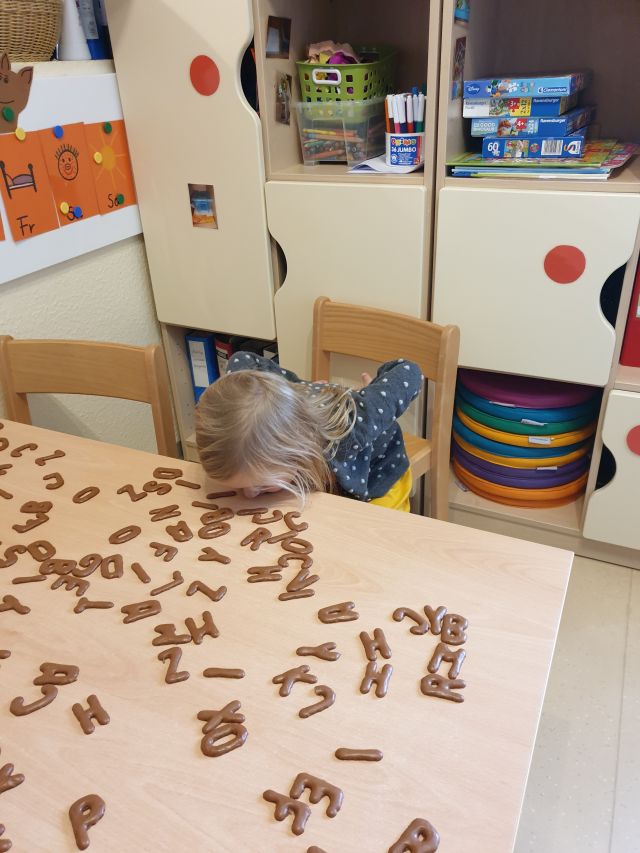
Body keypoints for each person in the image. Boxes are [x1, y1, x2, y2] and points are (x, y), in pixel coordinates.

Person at [195, 351, 423, 511]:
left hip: (378, 475)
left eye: (261, 485)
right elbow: (241, 359)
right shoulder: (272, 452)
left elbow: (410, 371)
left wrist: (373, 393)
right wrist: (291, 386)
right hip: (323, 470)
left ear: (296, 451)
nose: (249, 495)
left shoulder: (351, 426)